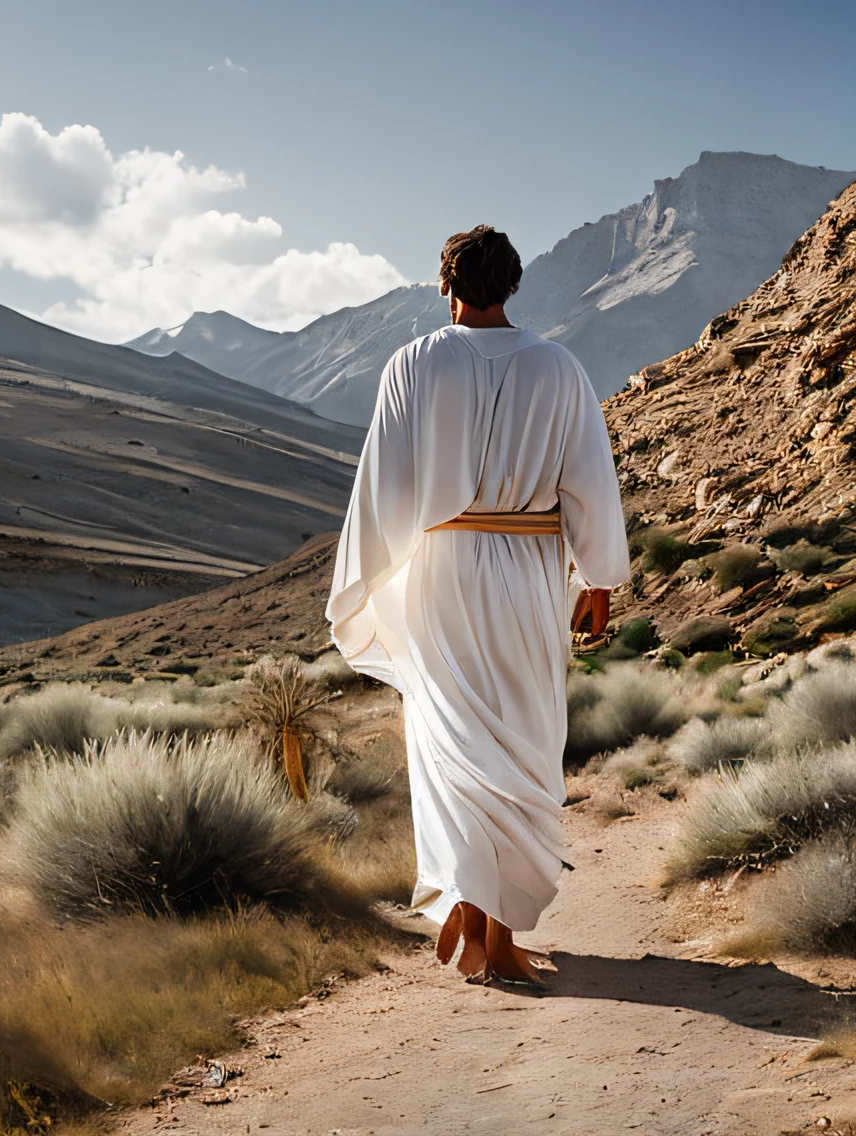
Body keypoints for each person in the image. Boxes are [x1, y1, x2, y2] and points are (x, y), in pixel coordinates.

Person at [325, 225, 630, 985]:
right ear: (513, 285)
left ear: (445, 285)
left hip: (438, 573)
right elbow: (588, 481)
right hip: (527, 574)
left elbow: (386, 486)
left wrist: (374, 576)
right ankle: (493, 934)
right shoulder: (559, 367)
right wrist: (596, 578)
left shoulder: (414, 364)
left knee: (450, 745)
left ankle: (471, 907)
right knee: (521, 745)